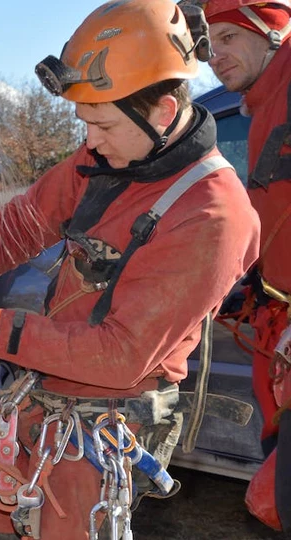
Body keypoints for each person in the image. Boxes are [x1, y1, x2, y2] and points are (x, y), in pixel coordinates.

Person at [0, 1, 260, 538]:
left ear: (161, 111)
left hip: (102, 432)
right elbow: (27, 220)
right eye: (84, 121)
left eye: (102, 124)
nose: (89, 140)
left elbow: (120, 354)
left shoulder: (213, 215)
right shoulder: (111, 156)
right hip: (42, 407)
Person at [202, 0, 291, 530]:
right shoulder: (262, 105)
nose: (216, 55)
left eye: (230, 37)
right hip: (274, 331)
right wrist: (257, 283)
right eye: (210, 42)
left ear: (271, 32)